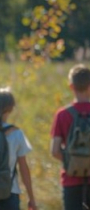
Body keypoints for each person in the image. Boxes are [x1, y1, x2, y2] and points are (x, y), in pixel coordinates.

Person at [51, 64, 90, 210]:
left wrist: (73, 162)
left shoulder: (63, 114)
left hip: (70, 180)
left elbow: (55, 151)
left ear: (71, 86)